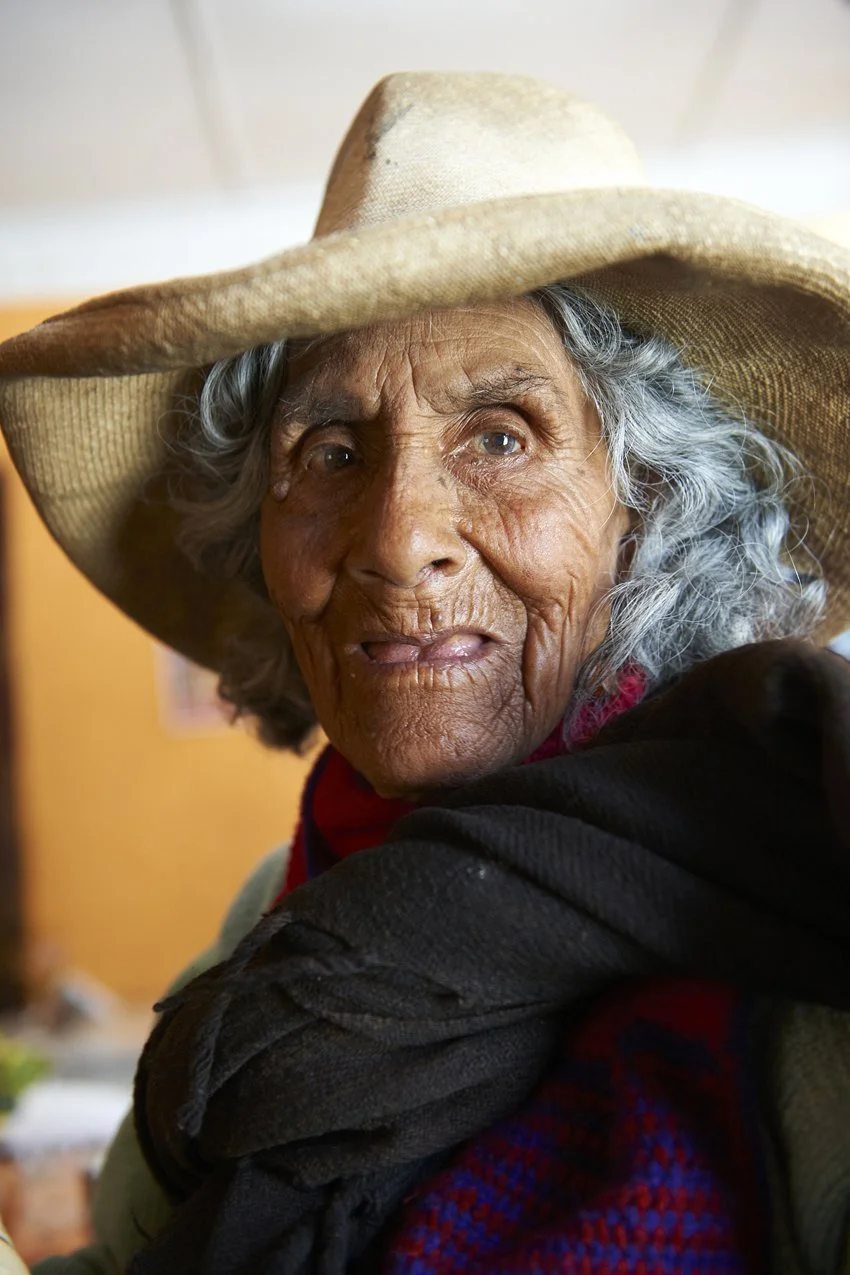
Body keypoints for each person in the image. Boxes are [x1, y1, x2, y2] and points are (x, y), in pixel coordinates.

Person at [1, 71, 850, 1274]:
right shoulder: (276, 912)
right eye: (330, 453)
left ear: (648, 506)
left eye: (500, 436)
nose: (399, 539)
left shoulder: (799, 867)